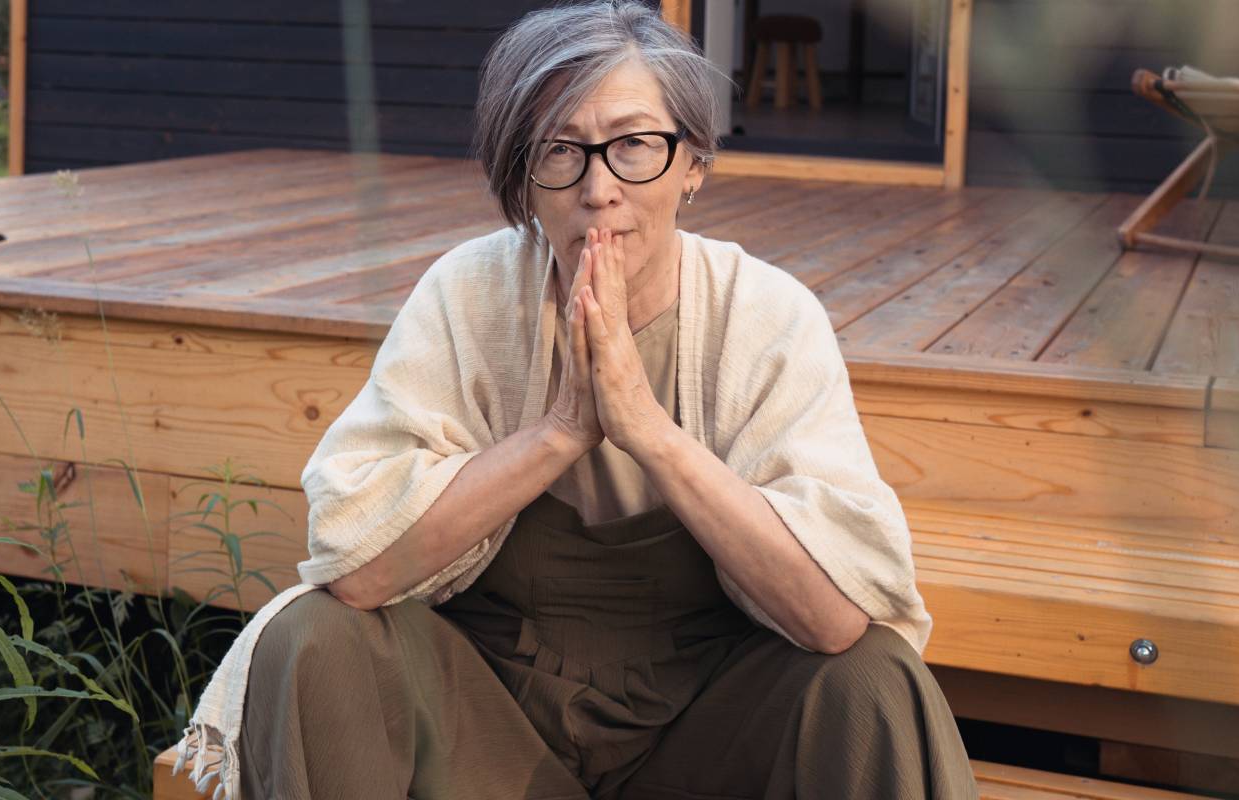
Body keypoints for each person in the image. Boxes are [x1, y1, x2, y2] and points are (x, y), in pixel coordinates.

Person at [172, 2, 979, 798]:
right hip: (491, 725)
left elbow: (835, 619)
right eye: (561, 150)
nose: (599, 188)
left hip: (706, 726)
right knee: (314, 636)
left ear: (693, 163)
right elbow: (357, 569)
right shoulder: (470, 296)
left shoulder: (764, 316)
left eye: (634, 146)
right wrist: (561, 431)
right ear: (524, 180)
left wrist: (648, 432)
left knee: (875, 679)